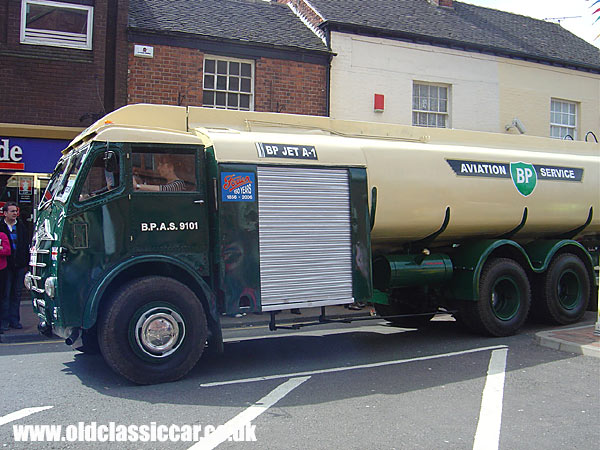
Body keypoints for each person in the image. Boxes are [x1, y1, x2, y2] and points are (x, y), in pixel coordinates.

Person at [0, 202, 31, 330]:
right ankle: (4, 321)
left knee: (16, 294)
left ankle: (15, 320)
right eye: (12, 211)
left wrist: (25, 263)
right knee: (5, 294)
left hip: (19, 265)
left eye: (16, 211)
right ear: (5, 213)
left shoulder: (21, 227)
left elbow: (24, 245)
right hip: (6, 266)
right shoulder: (1, 227)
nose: (15, 214)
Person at [0, 231, 10, 334]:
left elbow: (7, 250)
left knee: (2, 297)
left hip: (2, 269)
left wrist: (2, 249)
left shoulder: (2, 235)